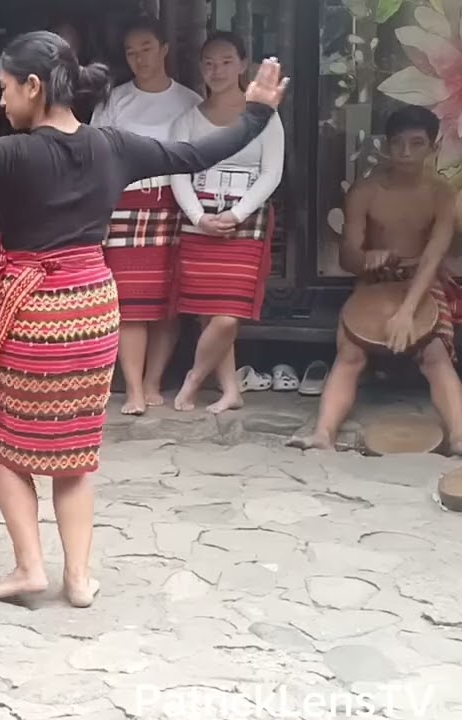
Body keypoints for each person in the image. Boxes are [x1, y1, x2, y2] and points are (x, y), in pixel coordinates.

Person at [0, 35, 287, 607]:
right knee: (74, 449)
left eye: (4, 89)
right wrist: (259, 114)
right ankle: (78, 579)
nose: (0, 103)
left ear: (32, 87)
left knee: (3, 442)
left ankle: (29, 568)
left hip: (35, 308)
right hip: (95, 303)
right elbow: (196, 156)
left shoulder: (9, 153)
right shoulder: (114, 146)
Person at [289, 106, 462, 453]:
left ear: (433, 146)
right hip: (375, 283)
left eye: (416, 144)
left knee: (435, 355)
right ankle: (323, 434)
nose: (406, 153)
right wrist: (366, 258)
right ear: (386, 145)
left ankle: (459, 437)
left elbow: (433, 256)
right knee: (350, 353)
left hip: (422, 283)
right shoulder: (365, 191)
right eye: (398, 144)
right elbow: (347, 256)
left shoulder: (443, 194)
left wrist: (407, 312)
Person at [91, 16, 202, 415]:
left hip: (173, 205)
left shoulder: (190, 101)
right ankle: (134, 388)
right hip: (125, 204)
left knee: (166, 303)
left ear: (165, 49)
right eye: (131, 52)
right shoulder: (114, 100)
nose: (140, 58)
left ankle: (155, 381)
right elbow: (95, 158)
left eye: (147, 48)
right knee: (130, 303)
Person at [171, 32, 285, 414]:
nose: (216, 70)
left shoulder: (265, 117)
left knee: (228, 313)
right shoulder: (187, 119)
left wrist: (237, 214)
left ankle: (193, 379)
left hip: (245, 220)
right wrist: (198, 217)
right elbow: (178, 173)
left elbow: (271, 173)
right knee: (209, 311)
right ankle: (230, 390)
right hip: (198, 218)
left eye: (225, 61)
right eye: (208, 63)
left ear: (242, 64)